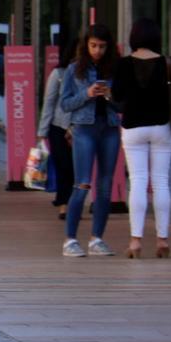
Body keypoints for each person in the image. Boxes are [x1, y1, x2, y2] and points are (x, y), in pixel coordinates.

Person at [111, 18, 171, 260]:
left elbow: (117, 95)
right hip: (162, 127)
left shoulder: (123, 64)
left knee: (138, 181)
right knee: (160, 182)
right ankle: (162, 239)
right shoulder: (167, 62)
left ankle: (136, 241)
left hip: (133, 127)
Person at [59, 24, 122, 258]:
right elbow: (65, 104)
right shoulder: (75, 70)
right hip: (83, 129)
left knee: (104, 187)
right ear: (86, 45)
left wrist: (110, 95)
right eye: (93, 45)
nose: (97, 50)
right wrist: (86, 93)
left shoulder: (115, 69)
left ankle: (97, 238)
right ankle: (70, 239)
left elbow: (123, 104)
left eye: (102, 46)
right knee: (82, 183)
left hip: (109, 128)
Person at [36, 40, 75, 220]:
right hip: (58, 127)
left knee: (75, 168)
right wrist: (42, 132)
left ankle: (71, 202)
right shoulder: (58, 74)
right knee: (63, 166)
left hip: (79, 128)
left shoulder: (88, 75)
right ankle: (63, 204)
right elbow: (49, 103)